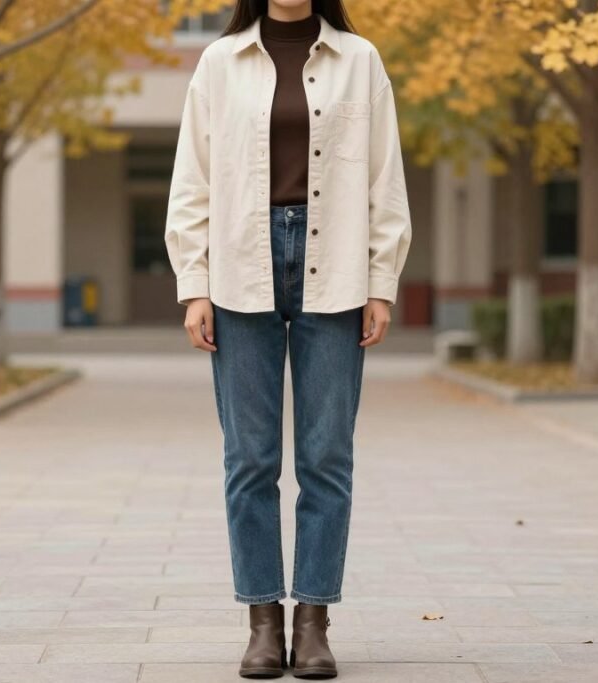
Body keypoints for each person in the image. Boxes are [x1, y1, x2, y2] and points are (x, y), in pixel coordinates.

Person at [164, 0, 412, 678]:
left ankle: (314, 621)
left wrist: (381, 280)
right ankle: (263, 622)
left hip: (335, 266)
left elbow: (385, 179)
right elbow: (193, 180)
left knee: (326, 455)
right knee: (249, 458)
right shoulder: (219, 63)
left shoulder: (360, 62)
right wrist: (194, 282)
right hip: (240, 262)